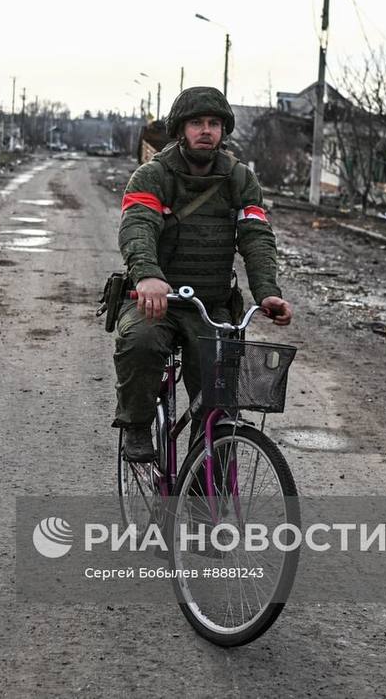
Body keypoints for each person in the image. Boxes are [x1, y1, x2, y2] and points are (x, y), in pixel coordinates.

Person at [114, 86, 293, 462]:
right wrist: (147, 275)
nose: (206, 130)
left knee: (220, 399)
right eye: (197, 122)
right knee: (140, 343)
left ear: (224, 130)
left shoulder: (240, 180)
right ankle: (137, 423)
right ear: (181, 129)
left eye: (214, 123)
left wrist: (267, 292)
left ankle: (206, 481)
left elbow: (257, 237)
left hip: (210, 306)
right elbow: (138, 227)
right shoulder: (153, 176)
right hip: (156, 302)